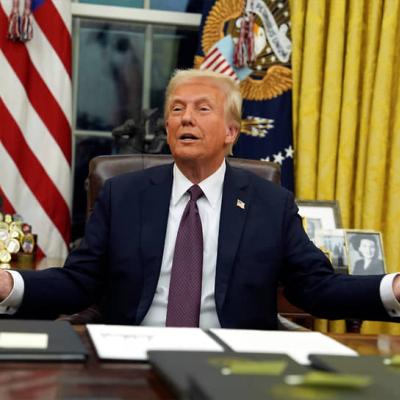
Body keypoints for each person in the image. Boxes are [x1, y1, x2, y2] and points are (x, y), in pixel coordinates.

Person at [1, 69, 400, 329]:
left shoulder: (270, 204)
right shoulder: (123, 195)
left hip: (233, 365)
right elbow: (78, 283)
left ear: (231, 132)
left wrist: (393, 290)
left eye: (202, 109)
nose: (185, 118)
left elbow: (316, 288)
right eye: (177, 109)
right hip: (132, 356)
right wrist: (8, 285)